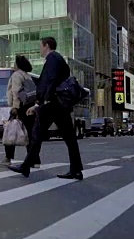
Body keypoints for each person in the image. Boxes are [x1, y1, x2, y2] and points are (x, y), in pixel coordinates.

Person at [7, 37, 83, 179]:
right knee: (68, 138)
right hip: (58, 105)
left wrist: (39, 104)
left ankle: (26, 166)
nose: (40, 49)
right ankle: (76, 169)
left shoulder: (53, 59)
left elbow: (50, 82)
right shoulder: (57, 59)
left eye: (40, 46)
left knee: (37, 134)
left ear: (46, 45)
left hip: (53, 104)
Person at [0, 55, 40, 167]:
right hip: (30, 106)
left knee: (10, 130)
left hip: (20, 106)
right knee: (30, 133)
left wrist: (15, 107)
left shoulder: (17, 75)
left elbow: (16, 92)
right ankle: (35, 160)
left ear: (18, 64)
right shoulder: (28, 76)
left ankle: (8, 157)